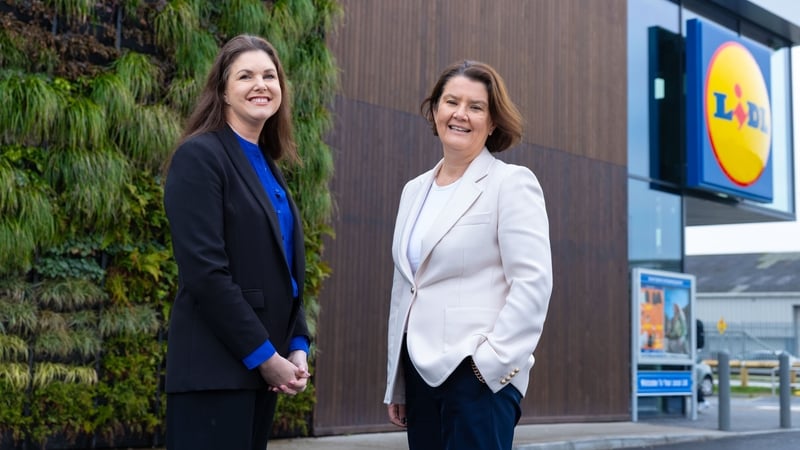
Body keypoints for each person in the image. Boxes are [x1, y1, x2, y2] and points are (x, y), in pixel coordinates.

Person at [384, 60, 553, 450]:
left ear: (492, 122)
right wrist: (398, 381)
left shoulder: (511, 183)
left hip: (477, 377)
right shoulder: (414, 191)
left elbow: (532, 284)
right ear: (435, 111)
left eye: (476, 107)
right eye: (451, 102)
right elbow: (405, 288)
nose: (460, 114)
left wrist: (490, 366)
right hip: (420, 376)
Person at [162, 35, 310, 450]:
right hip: (215, 372)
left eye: (269, 75)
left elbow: (282, 270)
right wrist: (265, 357)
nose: (260, 84)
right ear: (223, 92)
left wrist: (297, 344)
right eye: (245, 76)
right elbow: (206, 274)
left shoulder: (268, 165)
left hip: (261, 373)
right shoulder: (200, 156)